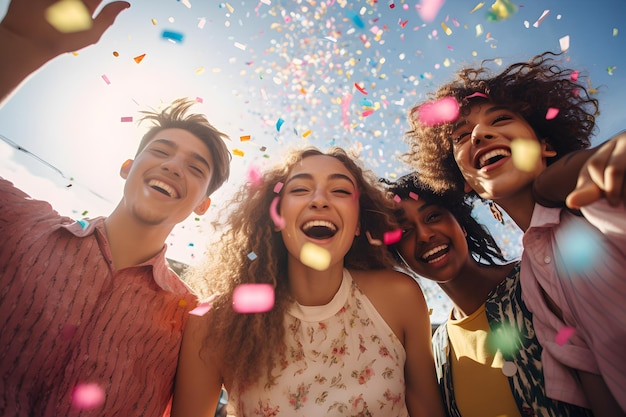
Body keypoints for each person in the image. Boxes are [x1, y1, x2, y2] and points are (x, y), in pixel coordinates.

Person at [0, 1, 232, 416]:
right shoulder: (17, 222)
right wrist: (18, 44)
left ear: (203, 204)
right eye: (161, 150)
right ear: (128, 167)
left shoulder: (192, 322)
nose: (173, 166)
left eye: (195, 168)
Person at [403, 51, 626, 416]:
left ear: (547, 145)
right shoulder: (535, 285)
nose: (478, 134)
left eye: (501, 118)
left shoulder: (600, 208)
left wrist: (585, 165)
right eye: (461, 136)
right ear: (465, 184)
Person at [172, 147, 445, 417]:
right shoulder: (213, 322)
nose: (320, 200)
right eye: (300, 189)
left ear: (359, 223)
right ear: (277, 217)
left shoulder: (399, 298)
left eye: (339, 191)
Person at [383, 172, 593, 417]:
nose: (425, 235)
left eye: (433, 216)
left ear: (460, 223)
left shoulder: (538, 278)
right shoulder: (437, 353)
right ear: (401, 259)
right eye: (405, 232)